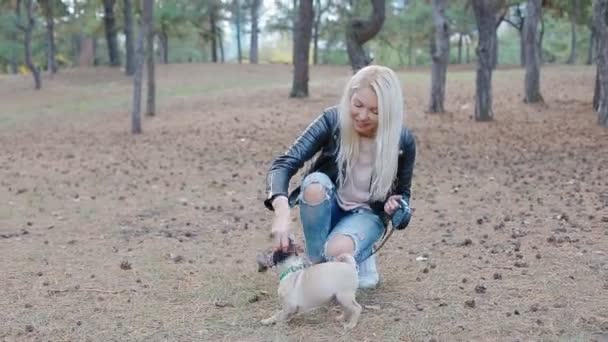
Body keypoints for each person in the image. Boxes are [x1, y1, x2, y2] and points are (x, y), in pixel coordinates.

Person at [263, 65, 416, 289]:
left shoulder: (402, 141)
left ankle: (357, 252)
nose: (363, 116)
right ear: (350, 97)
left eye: (375, 111)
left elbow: (404, 199)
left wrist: (397, 207)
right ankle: (316, 263)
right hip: (329, 205)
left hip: (368, 214)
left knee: (336, 252)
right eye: (358, 105)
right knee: (314, 185)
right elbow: (284, 164)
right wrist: (282, 212)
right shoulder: (332, 120)